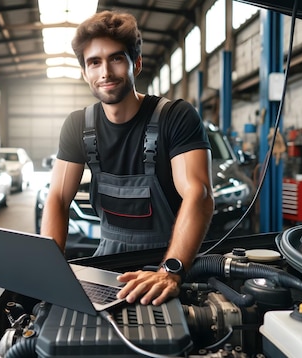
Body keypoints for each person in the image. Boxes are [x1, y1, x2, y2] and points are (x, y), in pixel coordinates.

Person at [40, 10, 214, 307]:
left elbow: (199, 193)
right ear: (85, 73)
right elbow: (57, 196)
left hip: (171, 259)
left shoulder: (176, 116)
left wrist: (171, 270)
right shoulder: (78, 125)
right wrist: (49, 271)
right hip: (108, 262)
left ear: (137, 63)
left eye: (116, 58)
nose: (105, 72)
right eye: (94, 62)